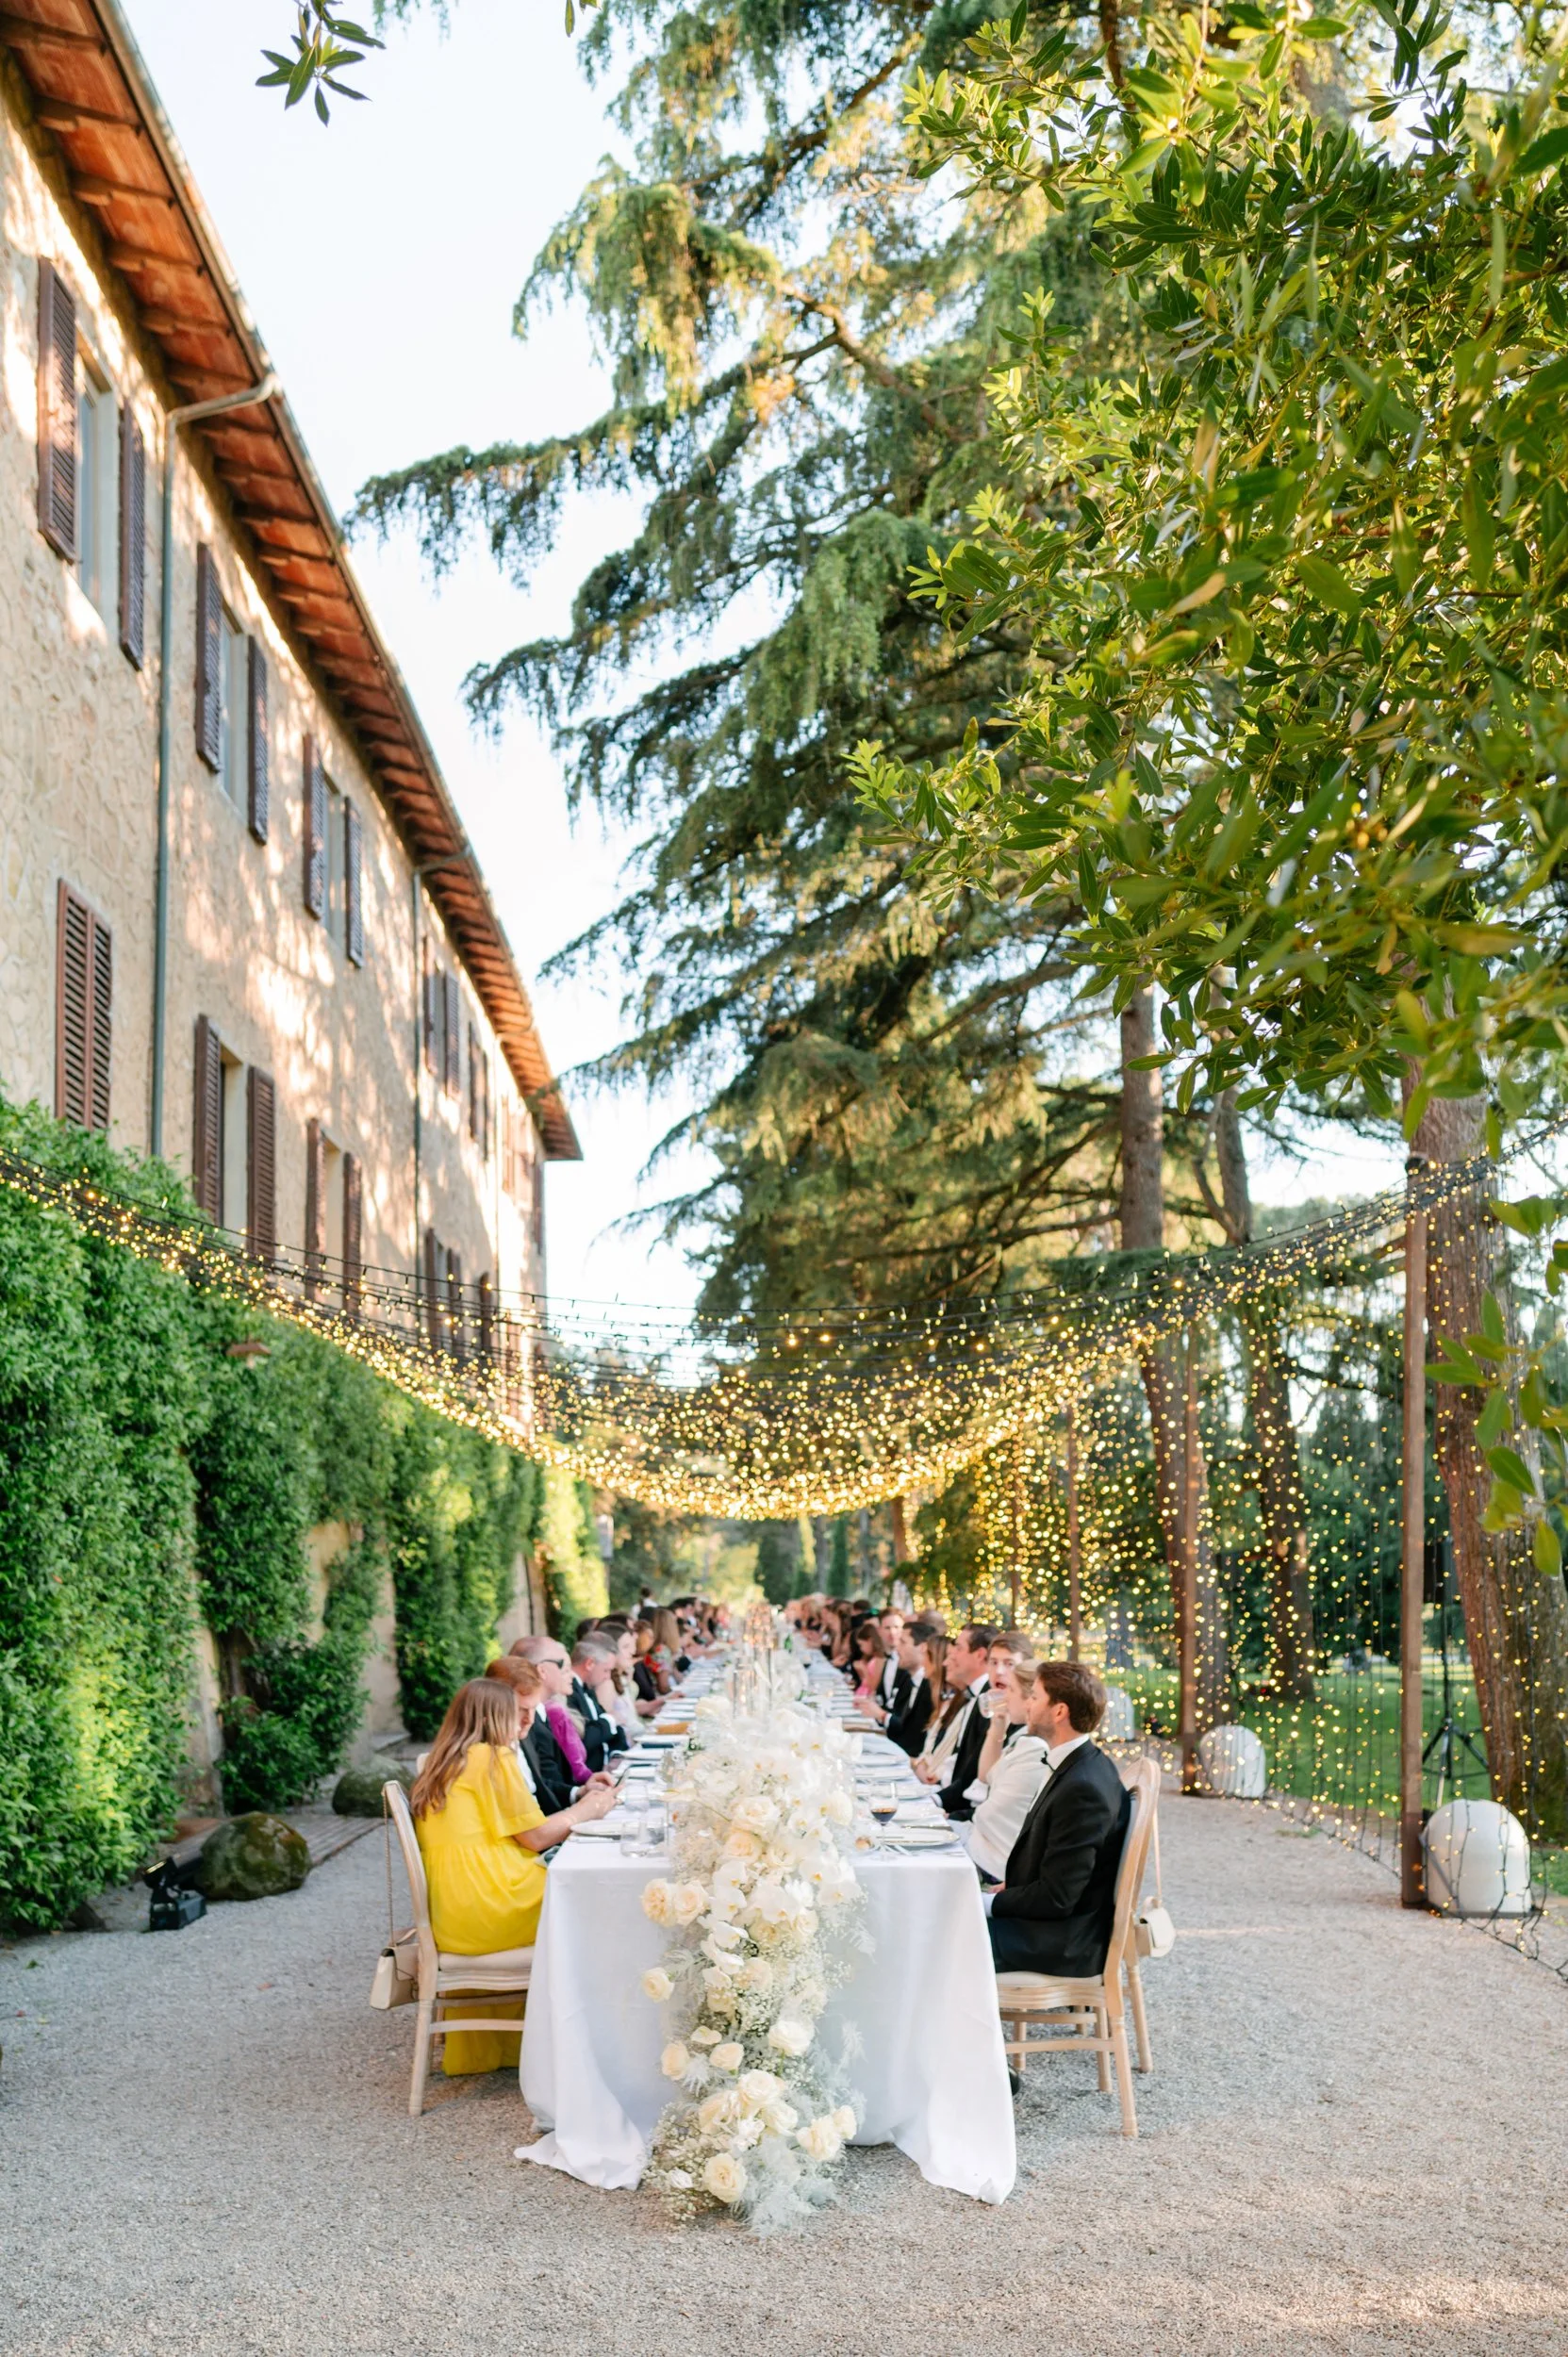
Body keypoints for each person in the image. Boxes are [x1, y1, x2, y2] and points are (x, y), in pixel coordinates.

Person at [411, 1677, 614, 2073]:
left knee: (580, 1887)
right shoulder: (490, 1758)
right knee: (596, 1899)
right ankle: (593, 2041)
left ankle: (564, 2033)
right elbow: (536, 1836)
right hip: (491, 1902)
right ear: (495, 1718)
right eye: (515, 1715)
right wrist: (589, 1809)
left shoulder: (444, 1761)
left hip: (455, 1912)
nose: (522, 1723)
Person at [985, 1661, 1131, 1978]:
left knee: (947, 1934)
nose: (1026, 1703)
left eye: (1035, 1697)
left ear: (1059, 1712)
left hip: (1064, 1942)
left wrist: (988, 1904)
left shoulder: (1083, 1788)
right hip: (1055, 1925)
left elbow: (1057, 1898)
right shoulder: (1081, 1764)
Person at [965, 1657, 1048, 1882]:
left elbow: (988, 1814)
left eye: (1011, 1689)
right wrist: (997, 1725)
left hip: (995, 1863)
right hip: (984, 1847)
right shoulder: (1021, 1737)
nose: (1004, 1695)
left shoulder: (1035, 1748)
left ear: (1030, 1699)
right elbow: (985, 1776)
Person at [913, 1623, 999, 1817]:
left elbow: (973, 1773)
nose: (949, 1656)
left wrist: (936, 1801)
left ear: (979, 1655)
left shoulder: (988, 1702)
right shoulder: (972, 1697)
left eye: (958, 1648)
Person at [511, 1636, 591, 1787]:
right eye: (563, 1666)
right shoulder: (523, 1721)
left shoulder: (542, 1713)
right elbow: (544, 1785)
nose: (570, 1675)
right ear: (542, 1670)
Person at [870, 1619, 936, 1755]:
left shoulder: (932, 1687)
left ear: (923, 1647)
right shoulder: (908, 1679)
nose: (897, 1647)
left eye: (903, 1642)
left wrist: (881, 1715)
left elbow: (914, 1737)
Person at [569, 1635, 630, 1773]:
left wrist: (616, 1754)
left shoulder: (587, 1689)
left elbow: (616, 1728)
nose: (608, 1677)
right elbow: (583, 1740)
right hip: (588, 1776)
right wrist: (610, 1719)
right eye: (606, 1670)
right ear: (589, 1664)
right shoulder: (569, 1693)